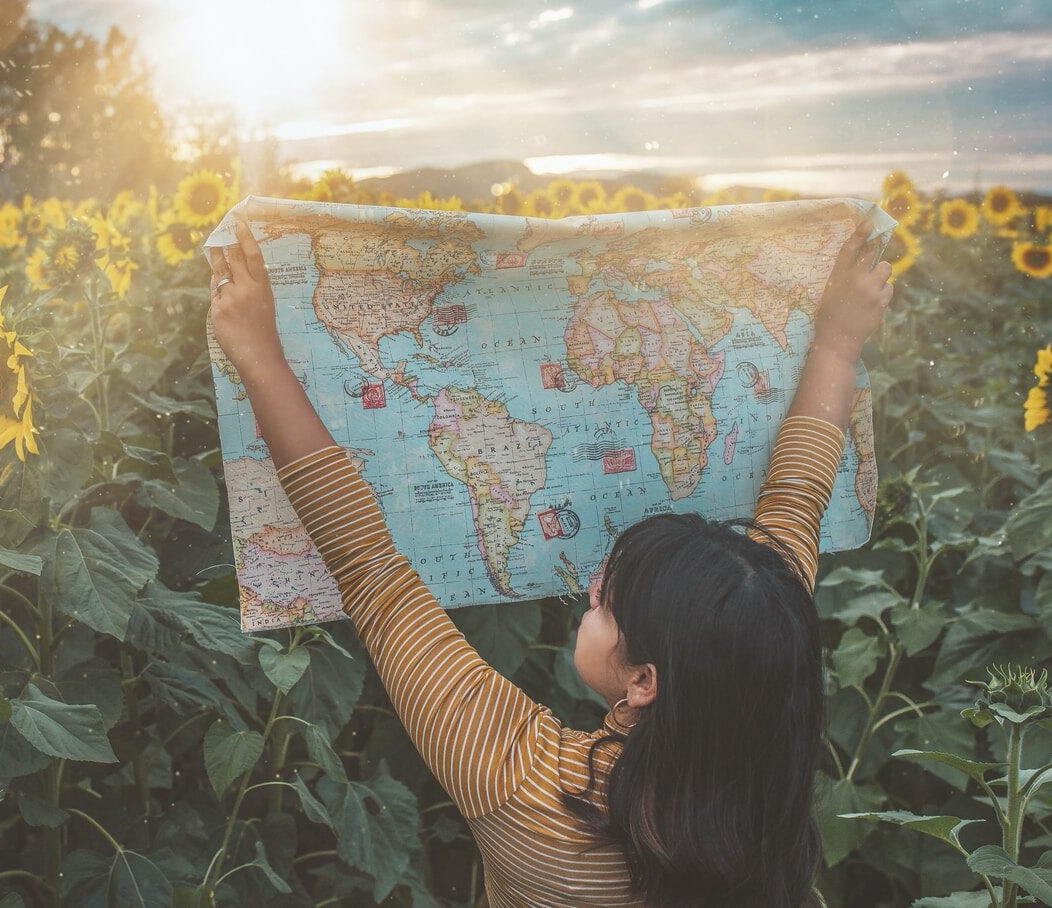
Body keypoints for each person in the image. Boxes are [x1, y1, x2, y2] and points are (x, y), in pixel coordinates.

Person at [208, 213, 893, 908]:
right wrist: (837, 344)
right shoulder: (761, 715)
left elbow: (372, 573)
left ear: (645, 681)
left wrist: (260, 355)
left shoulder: (523, 784)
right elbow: (795, 504)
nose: (590, 588)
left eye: (607, 602)